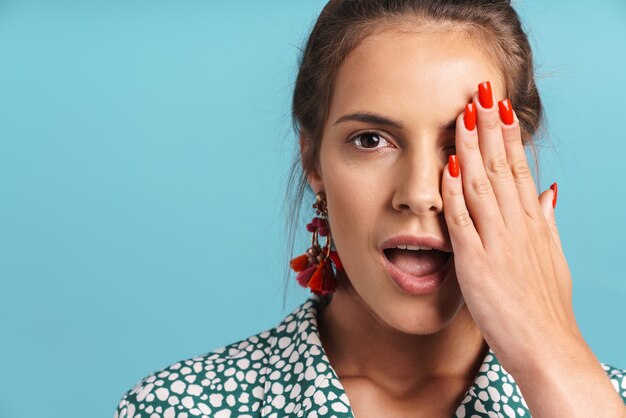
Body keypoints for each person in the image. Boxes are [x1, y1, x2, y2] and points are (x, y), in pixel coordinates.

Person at [114, 1, 626, 416]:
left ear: (514, 160)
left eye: (459, 145)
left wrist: (552, 359)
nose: (420, 193)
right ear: (313, 160)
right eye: (370, 139)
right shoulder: (178, 407)